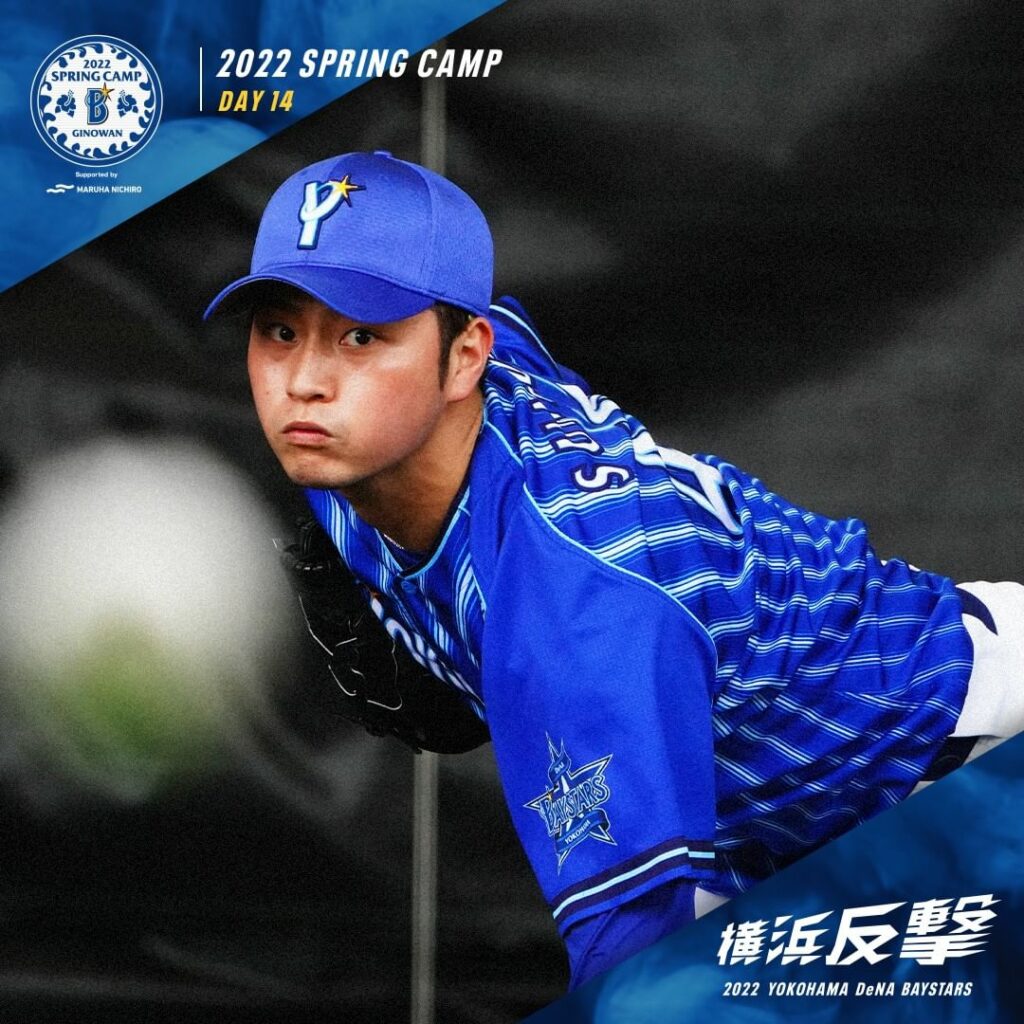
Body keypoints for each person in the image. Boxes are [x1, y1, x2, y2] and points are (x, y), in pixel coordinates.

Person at [205, 149, 1024, 989]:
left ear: (464, 358)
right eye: (280, 330)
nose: (304, 381)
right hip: (834, 814)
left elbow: (638, 972)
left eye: (361, 335)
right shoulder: (390, 431)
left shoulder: (575, 611)